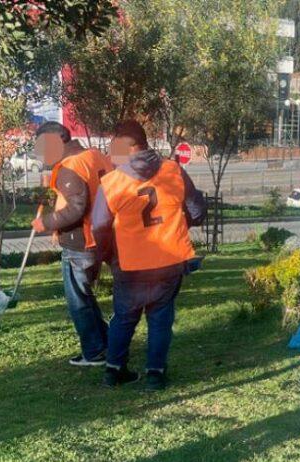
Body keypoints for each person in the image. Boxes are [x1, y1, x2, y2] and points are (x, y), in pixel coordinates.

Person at [92, 120, 206, 390]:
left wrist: (109, 255)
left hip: (130, 264)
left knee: (124, 317)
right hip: (168, 261)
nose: (111, 153)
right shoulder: (173, 170)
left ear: (130, 146)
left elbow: (99, 226)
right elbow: (198, 212)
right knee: (160, 319)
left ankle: (113, 370)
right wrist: (177, 224)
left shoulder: (112, 182)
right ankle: (155, 374)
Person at [31, 121, 113, 367]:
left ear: (60, 138)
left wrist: (46, 223)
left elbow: (76, 209)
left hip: (81, 241)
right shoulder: (94, 156)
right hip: (102, 236)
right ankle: (103, 343)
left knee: (78, 301)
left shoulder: (71, 166)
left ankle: (94, 351)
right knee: (86, 297)